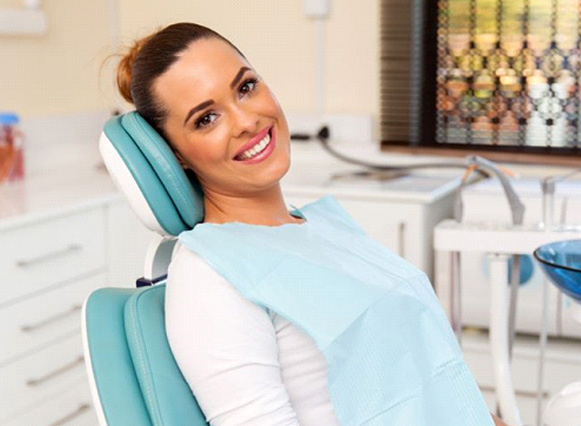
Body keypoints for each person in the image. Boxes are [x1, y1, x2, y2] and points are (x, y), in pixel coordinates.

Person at [114, 22, 508, 426]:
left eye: (245, 87)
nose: (246, 122)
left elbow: (427, 372)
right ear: (175, 155)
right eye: (207, 118)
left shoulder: (323, 225)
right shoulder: (210, 275)